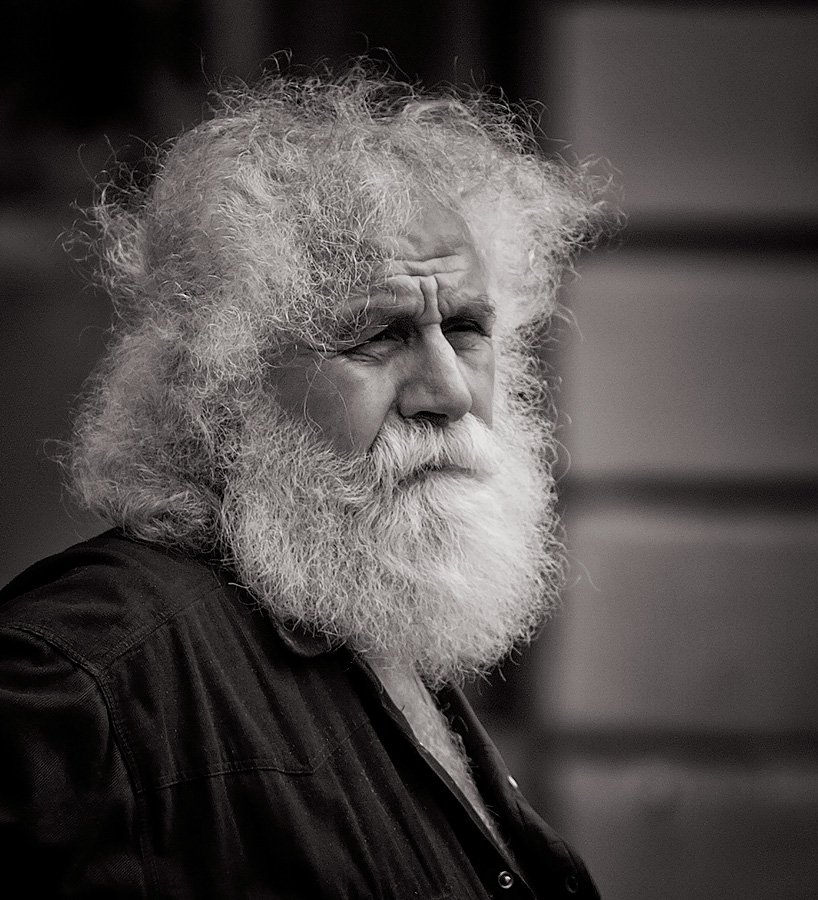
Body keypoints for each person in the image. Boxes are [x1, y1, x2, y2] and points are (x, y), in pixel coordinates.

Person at [0, 67, 606, 897]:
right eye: (376, 337)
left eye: (465, 329)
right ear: (223, 385)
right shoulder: (85, 676)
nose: (448, 391)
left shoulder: (375, 625)